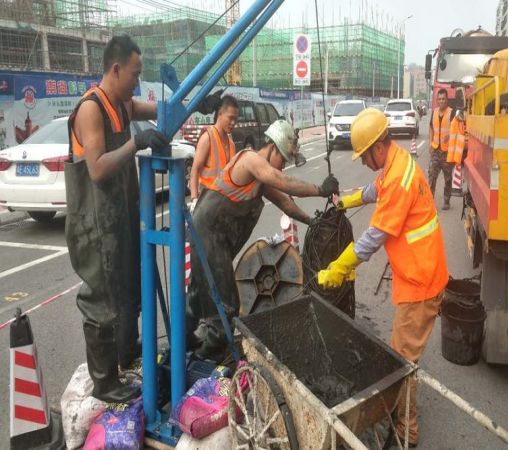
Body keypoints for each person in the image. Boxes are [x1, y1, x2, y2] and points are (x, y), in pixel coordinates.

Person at [318, 108, 448, 447]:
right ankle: (398, 417)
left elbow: (373, 236)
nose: (362, 161)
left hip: (421, 280)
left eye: (363, 155)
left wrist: (340, 266)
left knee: (402, 360)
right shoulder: (396, 161)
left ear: (378, 146)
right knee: (399, 352)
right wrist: (347, 200)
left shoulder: (399, 181)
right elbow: (375, 188)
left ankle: (407, 433)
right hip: (417, 273)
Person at [65, 34, 169, 402]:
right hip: (95, 222)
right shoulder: (92, 108)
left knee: (128, 291)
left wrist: (199, 103)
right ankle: (105, 380)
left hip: (120, 216)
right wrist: (136, 144)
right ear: (116, 68)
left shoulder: (123, 103)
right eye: (135, 73)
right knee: (101, 299)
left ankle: (126, 358)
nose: (137, 82)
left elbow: (155, 109)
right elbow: (96, 169)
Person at [187, 119, 338, 361]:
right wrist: (320, 189)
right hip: (208, 233)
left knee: (197, 292)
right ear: (274, 147)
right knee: (227, 305)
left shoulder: (261, 180)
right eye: (283, 160)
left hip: (215, 238)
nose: (283, 167)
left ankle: (185, 340)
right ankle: (208, 357)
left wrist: (311, 221)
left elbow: (285, 202)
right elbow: (282, 181)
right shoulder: (251, 160)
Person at [189, 95, 239, 208]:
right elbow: (195, 171)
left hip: (223, 204)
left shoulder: (231, 143)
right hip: (206, 203)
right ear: (220, 114)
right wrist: (194, 199)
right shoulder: (208, 137)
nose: (233, 123)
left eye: (236, 119)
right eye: (230, 118)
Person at [428, 88, 456, 210]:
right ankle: (429, 201)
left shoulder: (452, 113)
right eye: (439, 99)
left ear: (447, 99)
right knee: (431, 176)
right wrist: (430, 143)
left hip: (447, 151)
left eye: (443, 99)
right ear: (437, 100)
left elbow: (457, 129)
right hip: (435, 150)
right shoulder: (434, 112)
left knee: (448, 178)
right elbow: (430, 128)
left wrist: (449, 136)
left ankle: (446, 200)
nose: (441, 101)